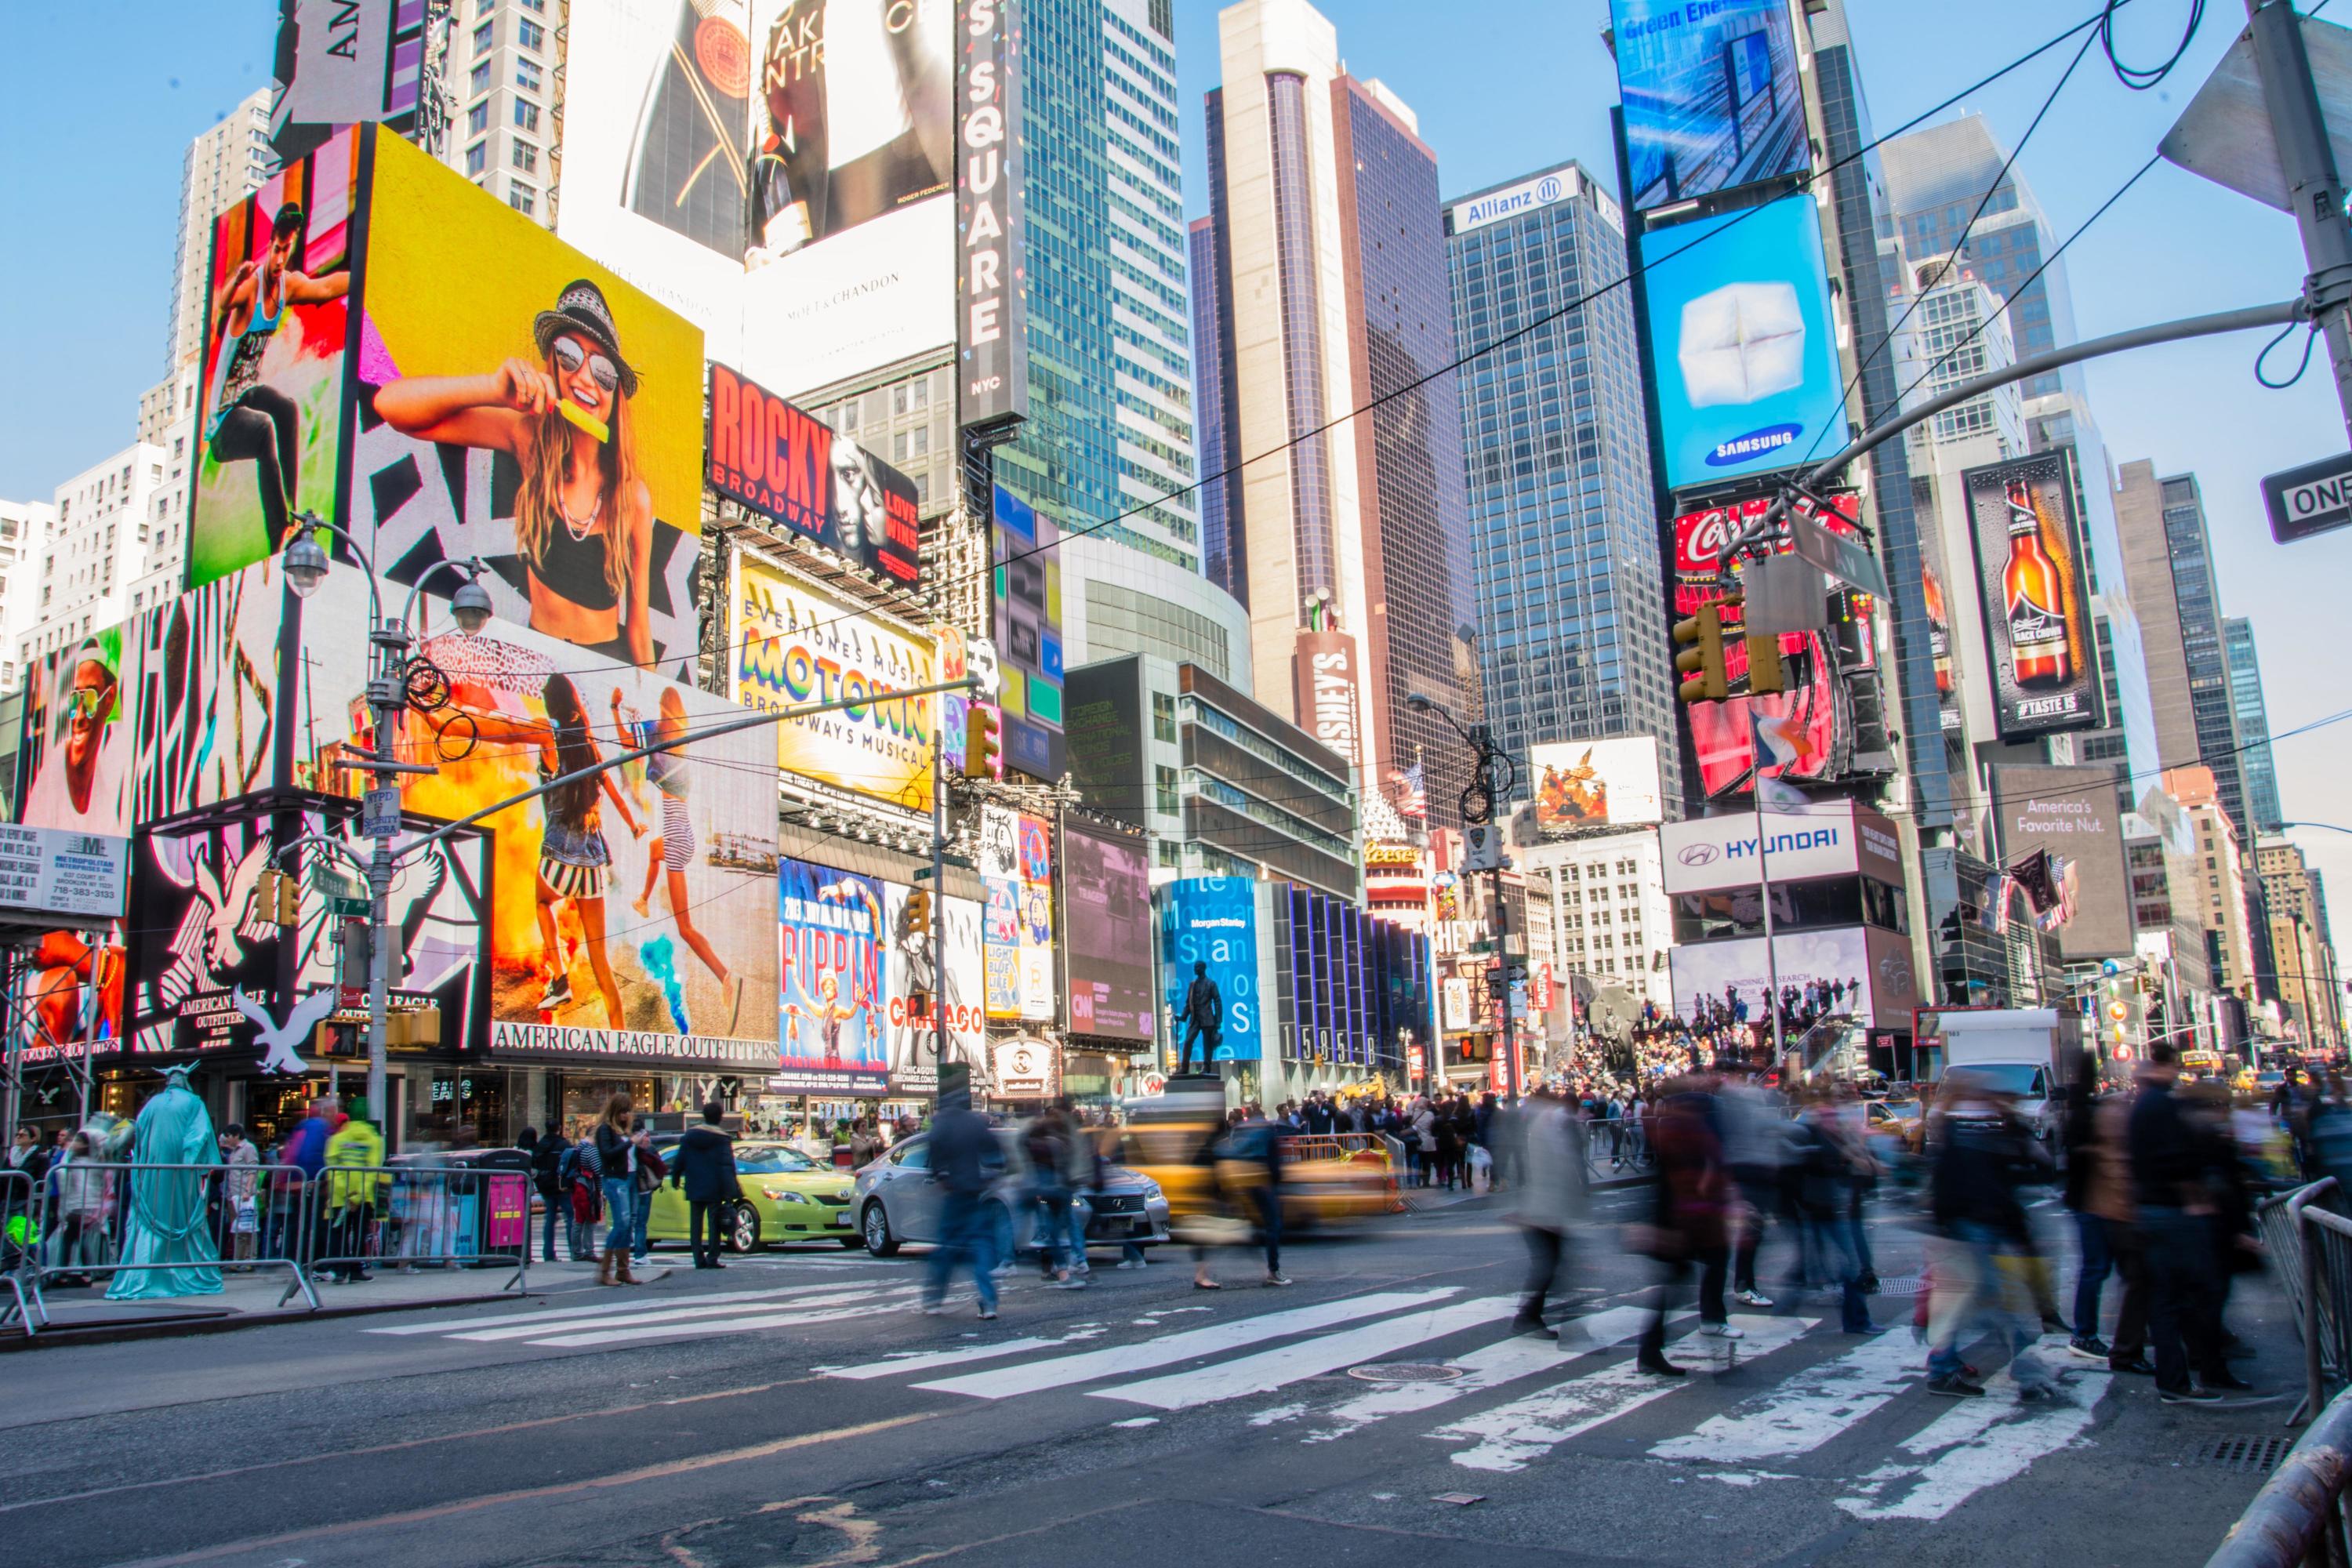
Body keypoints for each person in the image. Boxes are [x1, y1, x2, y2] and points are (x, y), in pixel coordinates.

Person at [374, 278, 657, 666]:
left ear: (616, 394)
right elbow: (391, 406)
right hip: (536, 654)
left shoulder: (632, 496)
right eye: (571, 354)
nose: (586, 378)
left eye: (605, 370)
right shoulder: (527, 439)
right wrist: (492, 389)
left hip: (608, 665)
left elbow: (639, 626)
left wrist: (657, 716)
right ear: (554, 366)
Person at [204, 200, 350, 554]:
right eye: (276, 250)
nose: (280, 260)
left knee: (285, 409)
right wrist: (238, 278)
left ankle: (292, 510)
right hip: (222, 424)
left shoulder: (288, 285)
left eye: (287, 251)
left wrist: (370, 268)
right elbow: (225, 304)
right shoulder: (252, 288)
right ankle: (279, 530)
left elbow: (328, 287)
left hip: (246, 395)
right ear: (269, 246)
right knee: (264, 427)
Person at [614, 686, 746, 1033]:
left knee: (685, 929)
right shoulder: (681, 744)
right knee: (652, 851)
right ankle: (642, 900)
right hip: (680, 836)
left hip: (677, 840)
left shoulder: (664, 744)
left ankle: (725, 976)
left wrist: (617, 710)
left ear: (664, 708)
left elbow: (629, 745)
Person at [1923, 1070, 2059, 1400]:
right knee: (1990, 1301)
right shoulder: (1972, 1131)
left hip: (1976, 1227)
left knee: (1976, 1301)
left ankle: (1944, 1364)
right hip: (1973, 1228)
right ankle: (2024, 1371)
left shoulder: (1973, 1130)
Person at [2129, 1043, 2252, 1403]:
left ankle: (2182, 1377)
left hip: (2153, 1211)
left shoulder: (2145, 1107)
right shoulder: (2162, 1107)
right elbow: (2174, 1161)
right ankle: (2187, 1376)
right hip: (2170, 1214)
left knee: (2172, 1300)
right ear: (2164, 1066)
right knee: (2191, 1296)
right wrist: (2196, 1200)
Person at [1635, 1076, 1736, 1376]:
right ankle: (1653, 1348)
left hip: (1682, 1215)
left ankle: (1652, 1349)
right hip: (1687, 1216)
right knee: (1691, 1271)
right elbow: (1683, 1176)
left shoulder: (1668, 1123)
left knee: (1681, 1275)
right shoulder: (1685, 1126)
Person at [23, 641, 132, 832]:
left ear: (109, 699)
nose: (79, 717)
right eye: (75, 699)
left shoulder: (104, 790)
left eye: (90, 698)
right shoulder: (53, 772)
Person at [1510, 1087, 1590, 1337]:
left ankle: (1530, 1317)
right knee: (1553, 1265)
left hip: (1539, 1207)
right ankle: (1532, 1318)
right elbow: (1566, 1163)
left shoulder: (1539, 1123)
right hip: (1546, 1210)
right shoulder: (1559, 1124)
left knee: (1551, 1264)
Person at [922, 1072, 1001, 1319]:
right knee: (979, 1244)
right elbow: (995, 1153)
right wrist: (990, 1176)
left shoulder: (941, 1124)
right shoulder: (974, 1122)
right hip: (975, 1191)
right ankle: (988, 1301)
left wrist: (942, 1178)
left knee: (946, 1247)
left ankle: (934, 1299)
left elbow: (934, 1159)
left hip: (955, 1192)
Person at [669, 1102, 741, 1270]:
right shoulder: (722, 1138)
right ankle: (712, 1257)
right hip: (715, 1185)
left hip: (694, 1183)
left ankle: (698, 1257)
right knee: (714, 1222)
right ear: (720, 1117)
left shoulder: (690, 1136)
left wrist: (676, 1176)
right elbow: (727, 1165)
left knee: (696, 1223)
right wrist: (731, 1189)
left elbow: (681, 1158)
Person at [322, 1098, 386, 1283]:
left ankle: (340, 1271)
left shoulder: (337, 1139)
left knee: (339, 1232)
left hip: (340, 1197)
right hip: (363, 1197)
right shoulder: (374, 1140)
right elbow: (373, 1170)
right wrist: (359, 1194)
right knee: (360, 1232)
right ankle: (357, 1269)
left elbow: (332, 1167)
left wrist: (346, 1191)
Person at [593, 1093, 643, 1286]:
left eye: (629, 1111)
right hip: (615, 1179)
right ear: (615, 1111)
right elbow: (606, 1154)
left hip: (629, 1177)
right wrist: (631, 1143)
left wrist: (638, 1144)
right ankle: (605, 1270)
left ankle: (623, 1270)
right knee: (621, 1224)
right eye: (623, 1111)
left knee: (628, 1224)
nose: (626, 1115)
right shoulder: (605, 1130)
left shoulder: (623, 1130)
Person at [530, 1121, 572, 1265]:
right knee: (570, 1217)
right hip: (561, 1185)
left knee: (550, 1218)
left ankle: (548, 1253)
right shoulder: (563, 1144)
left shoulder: (540, 1145)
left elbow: (534, 1164)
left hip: (545, 1185)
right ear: (559, 1129)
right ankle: (573, 1249)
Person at [219, 1123, 260, 1269]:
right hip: (234, 1195)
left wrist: (248, 1190)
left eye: (229, 1136)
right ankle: (238, 1259)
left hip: (244, 1195)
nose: (227, 1139)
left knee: (248, 1227)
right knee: (237, 1228)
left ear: (236, 1135)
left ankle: (250, 1259)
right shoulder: (234, 1150)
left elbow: (252, 1170)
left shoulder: (248, 1148)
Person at [1174, 962, 1222, 1073]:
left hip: (1208, 1019)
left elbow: (1217, 1001)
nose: (1195, 969)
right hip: (1195, 1019)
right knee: (1188, 1041)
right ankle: (1184, 1067)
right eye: (1195, 967)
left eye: (1197, 967)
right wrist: (1183, 1017)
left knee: (1207, 1045)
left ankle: (1206, 1067)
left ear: (1203, 969)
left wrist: (1218, 1020)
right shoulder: (1192, 985)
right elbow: (1188, 1003)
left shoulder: (1211, 984)